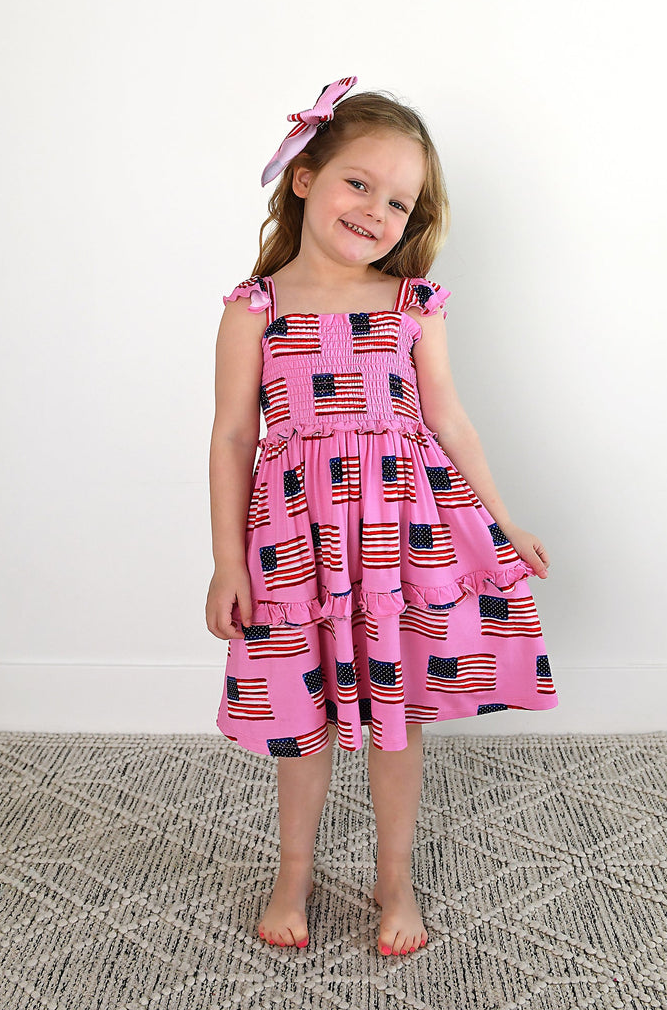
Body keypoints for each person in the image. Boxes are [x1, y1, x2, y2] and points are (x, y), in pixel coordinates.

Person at [206, 77, 559, 958]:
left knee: (399, 719)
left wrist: (504, 520)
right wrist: (226, 563)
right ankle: (294, 872)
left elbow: (450, 421)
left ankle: (393, 878)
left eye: (398, 201)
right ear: (304, 178)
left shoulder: (412, 305)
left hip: (403, 542)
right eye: (358, 183)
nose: (376, 210)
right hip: (298, 545)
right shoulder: (255, 310)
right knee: (302, 720)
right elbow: (233, 438)